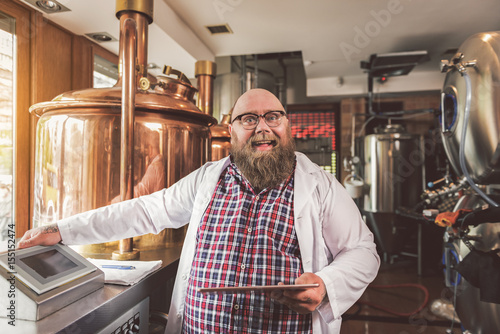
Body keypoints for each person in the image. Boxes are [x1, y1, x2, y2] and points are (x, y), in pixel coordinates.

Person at [19, 88, 380, 334]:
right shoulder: (209, 178)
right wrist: (62, 229)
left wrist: (326, 284)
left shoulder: (320, 185)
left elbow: (363, 252)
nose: (262, 127)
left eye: (273, 117)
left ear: (288, 126)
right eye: (248, 119)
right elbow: (146, 210)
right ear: (232, 130)